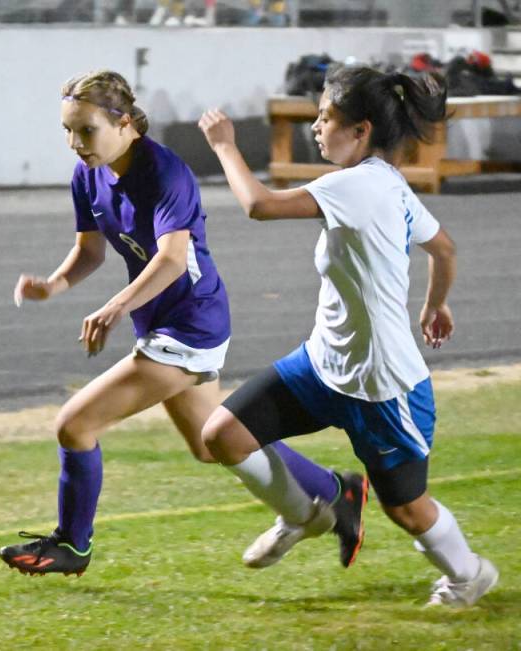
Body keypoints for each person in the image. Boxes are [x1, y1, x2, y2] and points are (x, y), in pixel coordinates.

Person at [0, 69, 366, 577]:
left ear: (125, 123)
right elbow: (90, 249)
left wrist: (116, 306)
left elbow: (172, 259)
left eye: (86, 130)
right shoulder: (88, 173)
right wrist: (54, 284)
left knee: (75, 425)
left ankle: (72, 545)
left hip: (192, 323)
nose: (75, 143)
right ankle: (336, 491)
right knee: (213, 443)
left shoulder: (165, 172)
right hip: (160, 324)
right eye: (68, 130)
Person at [198, 65, 498, 607]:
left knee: (407, 509)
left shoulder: (357, 184)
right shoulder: (386, 180)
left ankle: (468, 573)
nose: (316, 127)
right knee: (224, 435)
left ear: (360, 130)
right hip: (322, 365)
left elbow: (259, 205)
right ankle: (309, 513)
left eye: (326, 117)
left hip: (382, 386)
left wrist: (223, 146)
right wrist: (434, 304)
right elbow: (444, 248)